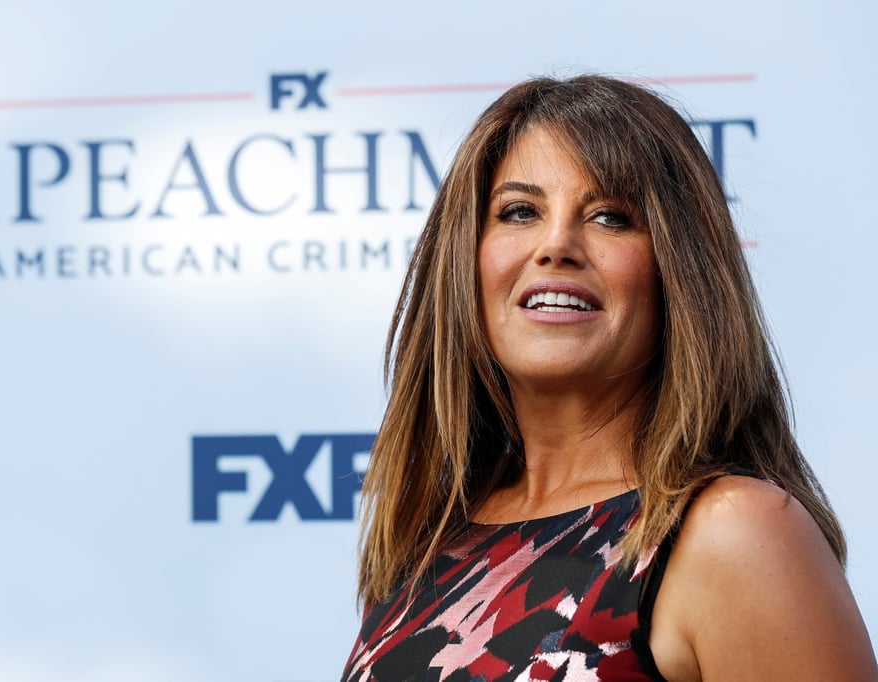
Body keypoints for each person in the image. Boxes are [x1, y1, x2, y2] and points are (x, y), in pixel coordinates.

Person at [341, 75, 878, 681]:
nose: (556, 245)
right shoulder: (429, 540)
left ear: (679, 270)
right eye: (519, 212)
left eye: (610, 217)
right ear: (465, 259)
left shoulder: (732, 531)